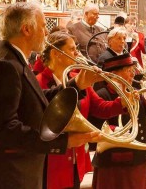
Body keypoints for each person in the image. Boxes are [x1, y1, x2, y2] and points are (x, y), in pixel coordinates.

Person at [0, 2, 102, 189]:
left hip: (17, 173)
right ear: (26, 29)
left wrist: (77, 84)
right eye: (42, 26)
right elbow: (4, 130)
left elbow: (34, 99)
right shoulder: (4, 66)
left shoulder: (13, 59)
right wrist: (63, 141)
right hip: (8, 176)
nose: (46, 32)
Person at [35, 31, 128, 189]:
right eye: (72, 49)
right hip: (51, 160)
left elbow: (100, 108)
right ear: (56, 54)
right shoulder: (39, 82)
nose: (77, 53)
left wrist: (124, 102)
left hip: (75, 157)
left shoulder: (79, 78)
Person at [91, 53, 146, 189]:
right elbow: (97, 126)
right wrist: (118, 130)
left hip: (138, 153)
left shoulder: (134, 91)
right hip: (115, 159)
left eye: (133, 71)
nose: (133, 75)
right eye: (129, 71)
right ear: (114, 74)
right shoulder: (103, 94)